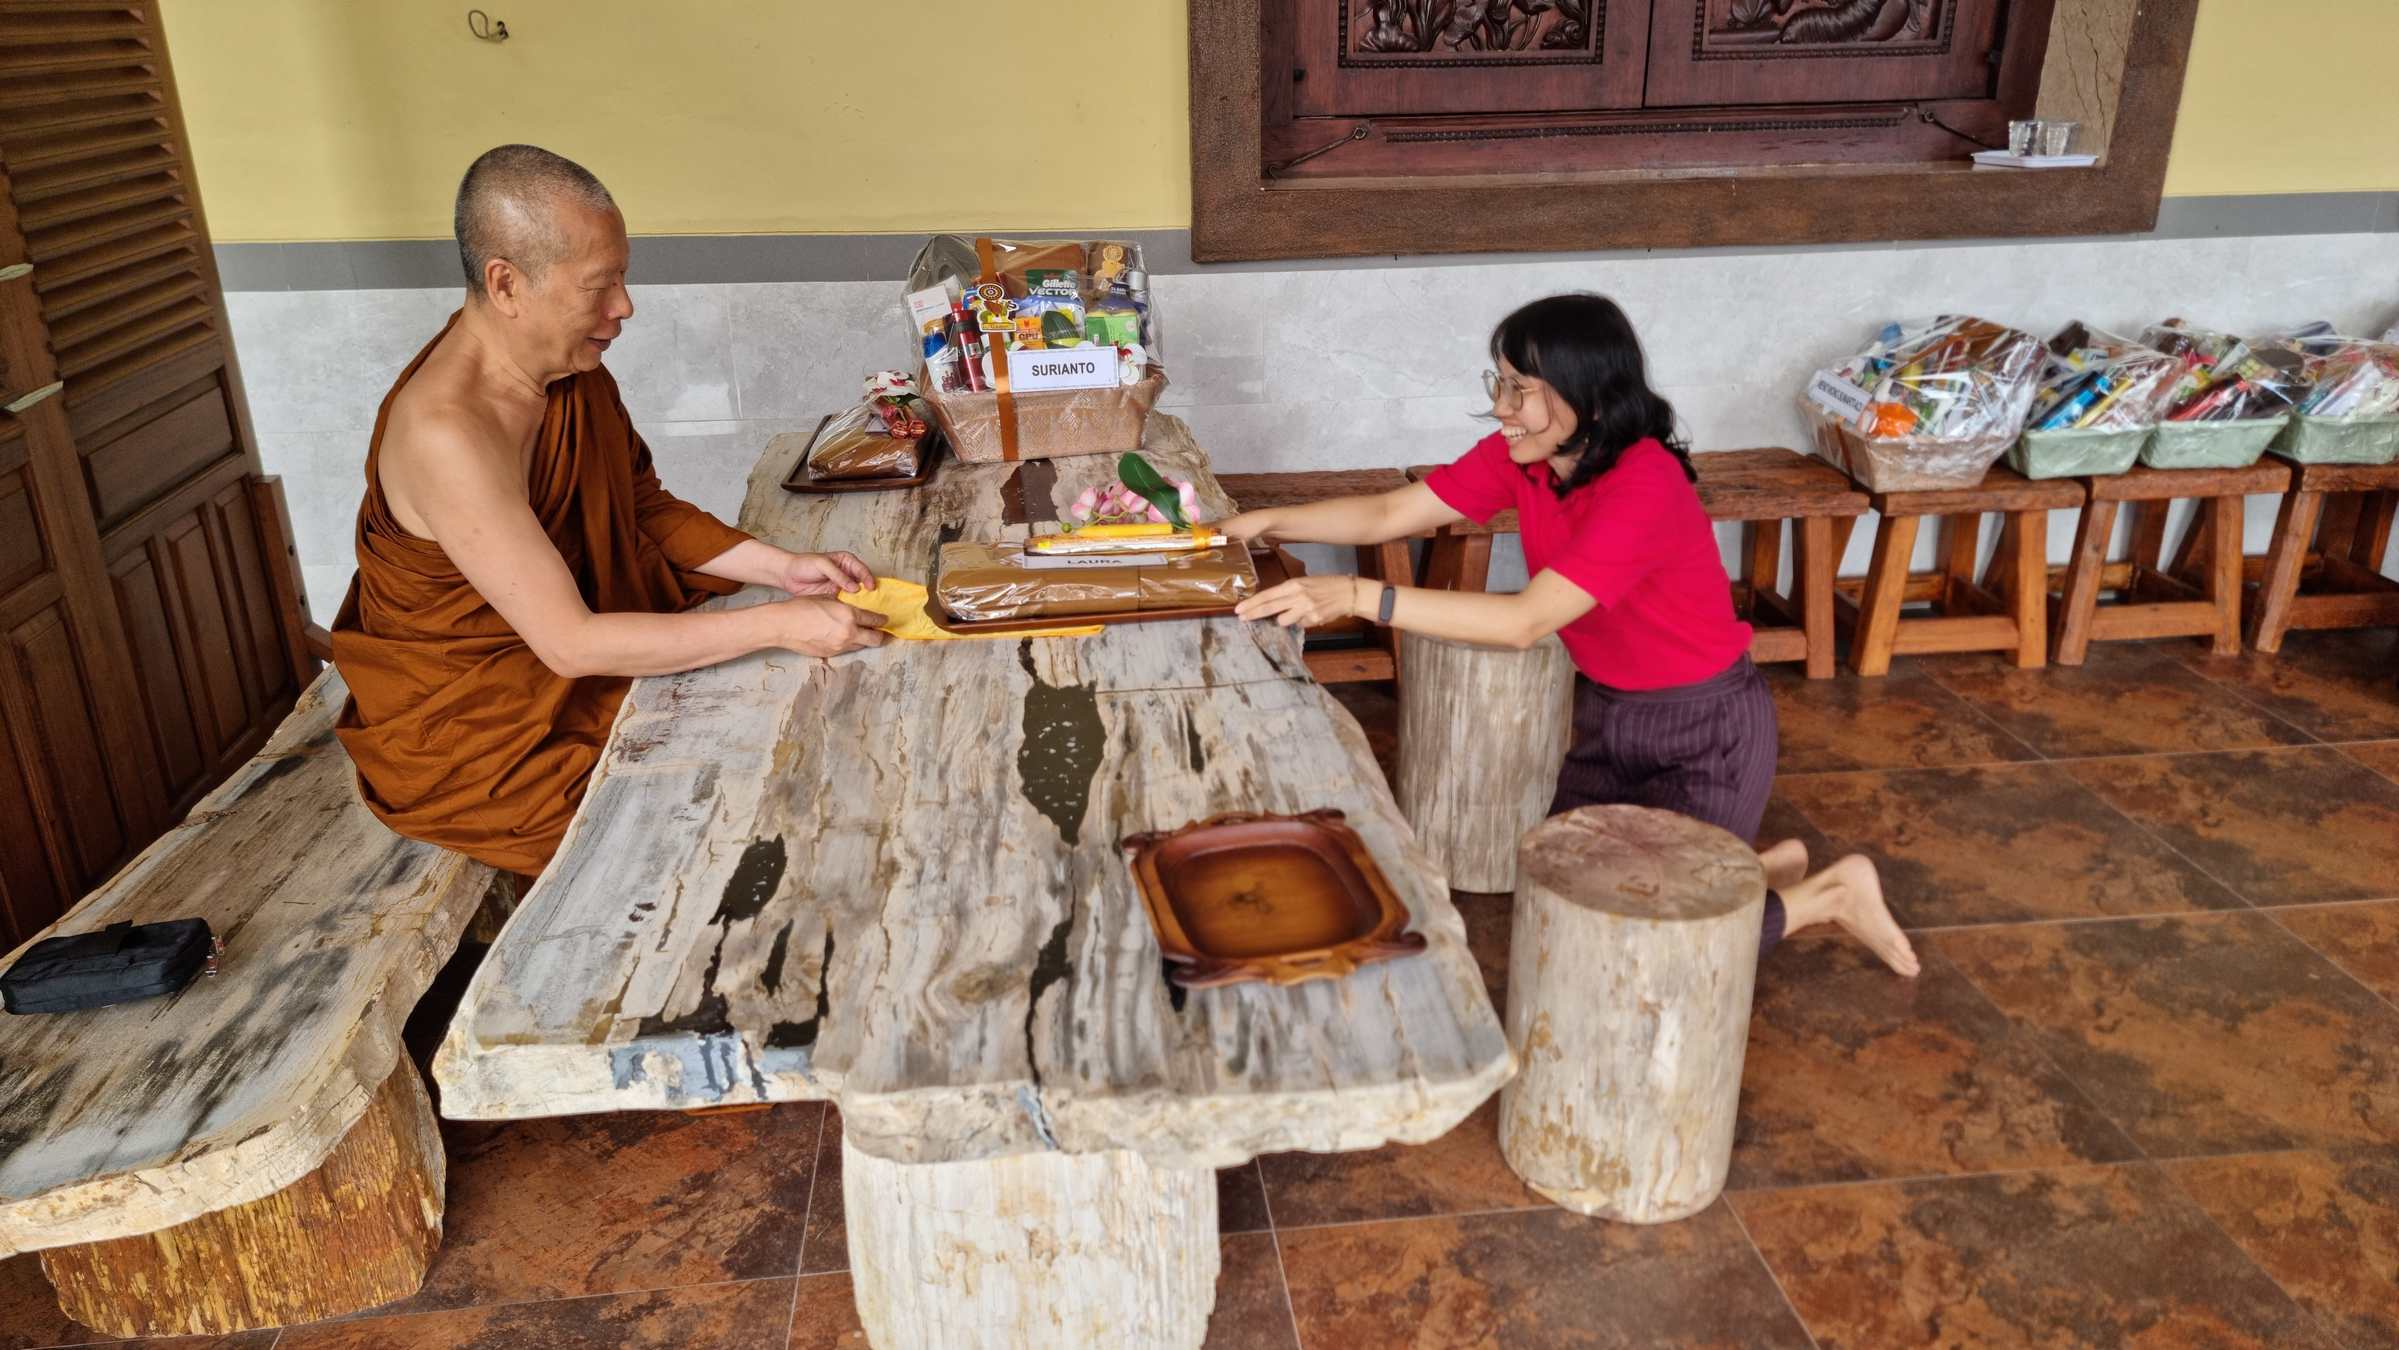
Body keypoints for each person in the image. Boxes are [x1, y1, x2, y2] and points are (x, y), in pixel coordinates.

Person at [1224, 293, 1918, 976]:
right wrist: (1263, 522)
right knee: (1565, 904)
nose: (1501, 407)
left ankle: (1828, 894)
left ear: (1588, 393)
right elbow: (1386, 514)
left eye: (1520, 389)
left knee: (1661, 953)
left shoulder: (1644, 483)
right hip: (1607, 714)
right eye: (1499, 382)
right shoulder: (1526, 457)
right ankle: (1752, 873)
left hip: (1706, 729)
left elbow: (1524, 620)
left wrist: (1356, 595)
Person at [332, 145, 886, 876]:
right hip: (484, 734)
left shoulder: (565, 371)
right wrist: (779, 625)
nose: (624, 306)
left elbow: (639, 506)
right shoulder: (448, 434)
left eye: (622, 277)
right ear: (506, 284)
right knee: (711, 820)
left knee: (803, 732)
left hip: (568, 666)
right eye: (600, 285)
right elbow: (570, 644)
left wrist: (782, 570)